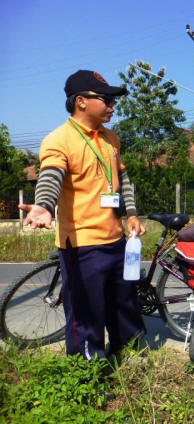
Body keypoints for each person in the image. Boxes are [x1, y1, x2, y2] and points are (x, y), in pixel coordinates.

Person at [19, 69, 146, 360]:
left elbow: (122, 180)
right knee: (86, 311)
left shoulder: (110, 138)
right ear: (82, 102)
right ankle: (86, 370)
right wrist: (44, 205)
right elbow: (51, 176)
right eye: (106, 100)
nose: (112, 107)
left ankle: (127, 353)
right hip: (82, 244)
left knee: (123, 301)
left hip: (115, 239)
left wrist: (132, 214)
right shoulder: (59, 140)